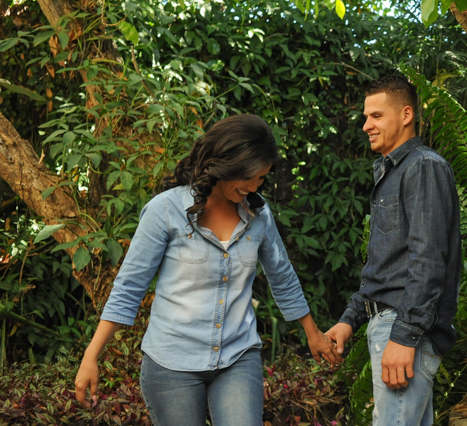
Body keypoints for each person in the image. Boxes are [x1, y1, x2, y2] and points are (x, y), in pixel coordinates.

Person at [74, 114, 339, 426]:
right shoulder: (165, 210)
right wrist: (92, 356)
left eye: (262, 178)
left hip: (237, 358)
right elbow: (129, 288)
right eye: (250, 176)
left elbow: (282, 276)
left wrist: (313, 334)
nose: (256, 186)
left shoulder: (259, 214)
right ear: (226, 165)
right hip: (171, 364)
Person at [326, 75, 462, 426]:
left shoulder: (422, 167)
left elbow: (428, 259)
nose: (366, 125)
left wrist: (404, 337)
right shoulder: (393, 172)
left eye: (376, 116)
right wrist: (350, 319)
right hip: (390, 325)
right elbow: (387, 266)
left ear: (405, 115)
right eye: (365, 117)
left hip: (402, 329)